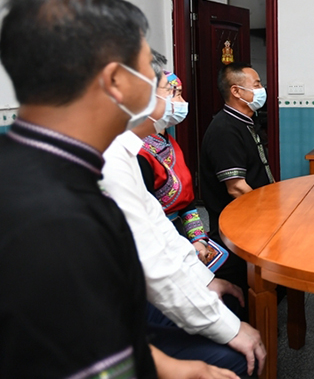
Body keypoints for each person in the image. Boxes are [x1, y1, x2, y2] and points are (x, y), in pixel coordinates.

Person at [0, 0, 235, 378]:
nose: (159, 86)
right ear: (115, 81)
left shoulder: (59, 164)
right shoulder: (55, 210)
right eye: (149, 73)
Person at [102, 63, 266, 378]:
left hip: (171, 250)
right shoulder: (114, 157)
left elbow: (162, 222)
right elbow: (152, 260)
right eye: (170, 91)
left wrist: (204, 279)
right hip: (119, 305)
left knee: (230, 296)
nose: (178, 101)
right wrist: (228, 329)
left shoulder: (137, 148)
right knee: (234, 351)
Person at [137, 71, 225, 269]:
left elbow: (186, 200)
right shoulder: (139, 153)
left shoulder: (169, 143)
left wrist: (198, 239)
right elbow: (145, 221)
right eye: (175, 94)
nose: (183, 102)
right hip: (158, 244)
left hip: (181, 232)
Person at [200, 62, 275, 292]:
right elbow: (236, 188)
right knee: (244, 288)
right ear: (236, 91)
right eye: (257, 84)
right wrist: (269, 215)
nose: (262, 89)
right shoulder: (225, 129)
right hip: (237, 226)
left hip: (254, 219)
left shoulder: (245, 122)